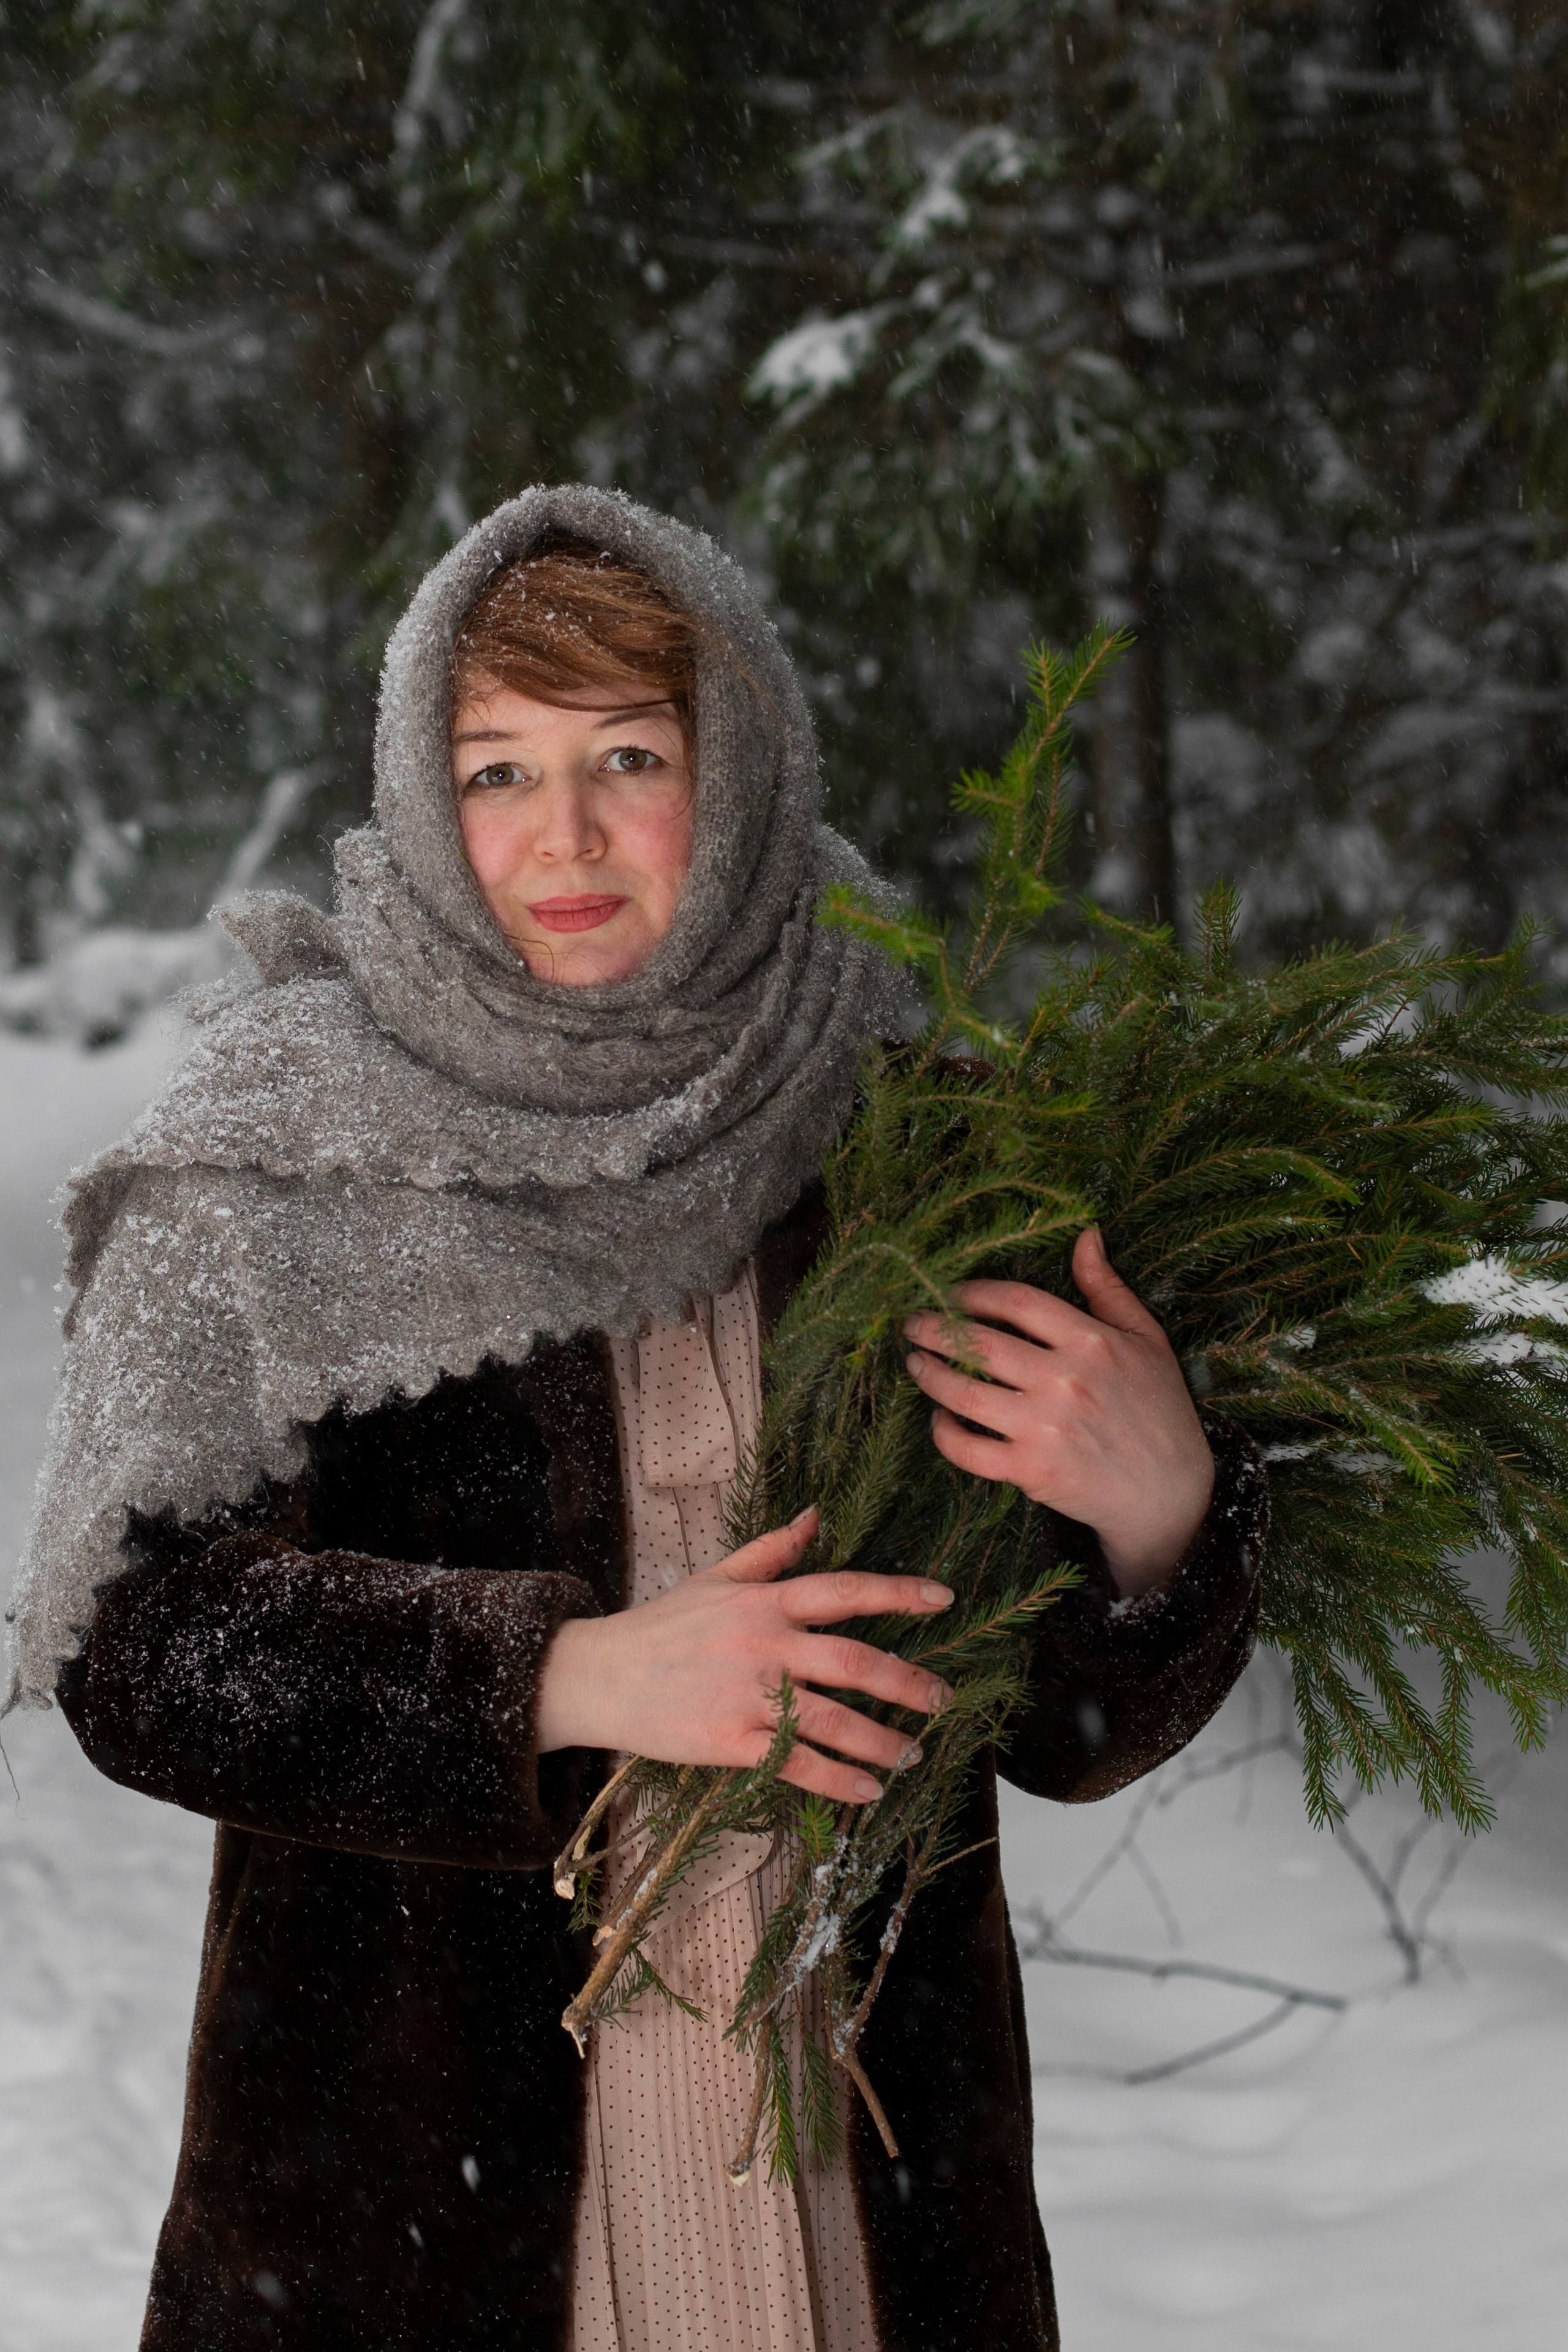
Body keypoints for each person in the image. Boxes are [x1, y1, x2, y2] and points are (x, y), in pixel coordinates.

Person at [6, 486, 1265, 2352]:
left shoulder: (914, 1145)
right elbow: (138, 1649)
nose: (564, 835)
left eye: (630, 756)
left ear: (740, 768)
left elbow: (1059, 1730)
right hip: (413, 2208)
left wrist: (1162, 1515)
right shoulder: (274, 1170)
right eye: (496, 769)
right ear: (421, 796)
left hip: (851, 2189)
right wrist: (571, 1680)